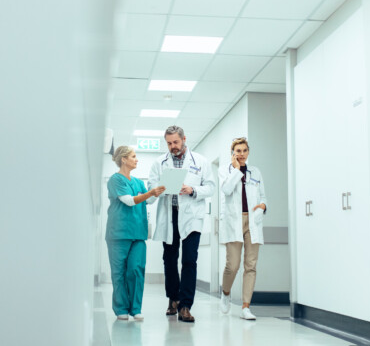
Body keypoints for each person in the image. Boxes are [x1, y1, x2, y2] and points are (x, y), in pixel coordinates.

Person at [147, 125, 215, 323]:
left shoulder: (200, 161)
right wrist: (157, 189)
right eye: (169, 143)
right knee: (169, 260)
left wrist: (192, 189)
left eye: (176, 142)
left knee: (189, 260)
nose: (172, 147)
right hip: (170, 216)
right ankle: (173, 299)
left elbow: (210, 187)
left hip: (192, 217)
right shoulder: (159, 162)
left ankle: (185, 305)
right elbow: (150, 189)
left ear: (184, 139)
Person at [106, 146, 165, 321]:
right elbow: (129, 201)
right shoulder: (115, 180)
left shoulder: (139, 182)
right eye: (133, 156)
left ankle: (136, 308)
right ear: (123, 159)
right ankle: (121, 309)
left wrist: (161, 191)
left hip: (138, 234)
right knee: (119, 272)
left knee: (137, 270)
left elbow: (149, 199)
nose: (136, 159)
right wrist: (150, 193)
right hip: (118, 234)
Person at [218, 137, 268, 320]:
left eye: (244, 150)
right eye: (237, 151)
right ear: (232, 153)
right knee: (233, 265)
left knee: (251, 265)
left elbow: (263, 196)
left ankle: (246, 306)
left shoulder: (256, 172)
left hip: (252, 220)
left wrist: (263, 205)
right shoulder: (225, 170)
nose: (241, 154)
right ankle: (225, 292)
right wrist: (237, 170)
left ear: (248, 152)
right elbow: (226, 190)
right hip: (234, 221)